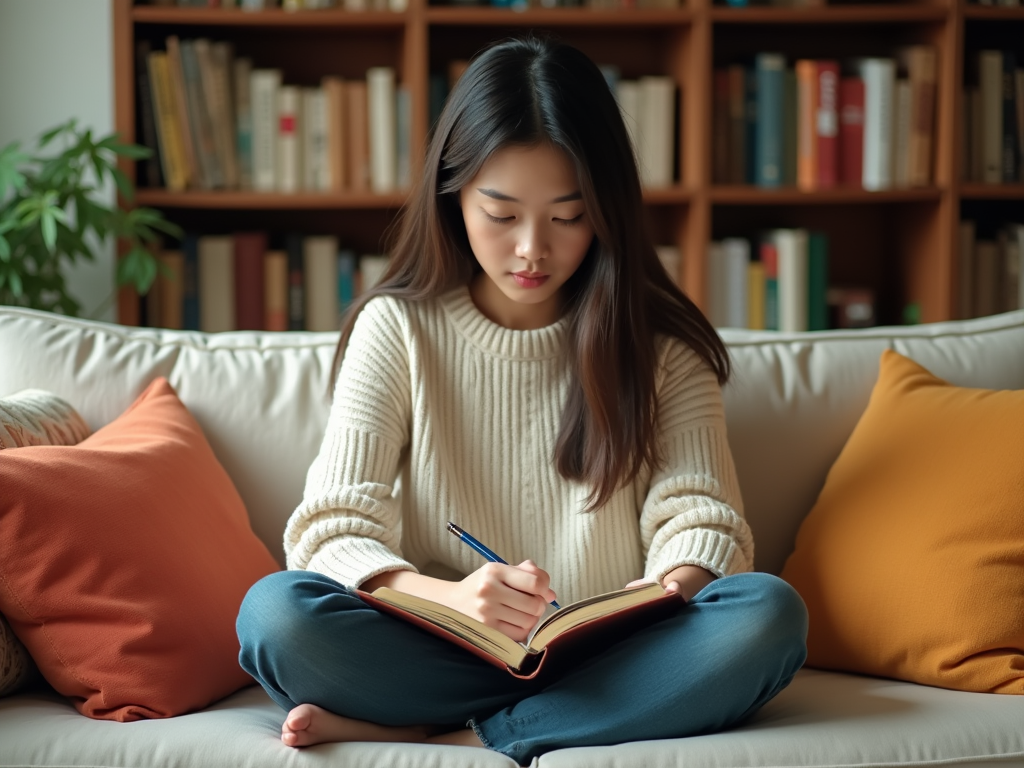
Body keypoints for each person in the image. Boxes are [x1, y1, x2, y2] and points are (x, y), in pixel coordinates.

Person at [235, 35, 808, 765]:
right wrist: (453, 598)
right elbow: (328, 528)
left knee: (767, 616)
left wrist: (656, 594)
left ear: (606, 210)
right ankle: (553, 720)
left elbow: (705, 520)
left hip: (614, 656)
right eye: (501, 214)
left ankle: (459, 734)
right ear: (454, 195)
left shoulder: (662, 344)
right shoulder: (400, 327)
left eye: (568, 217)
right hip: (439, 644)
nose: (533, 249)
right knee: (275, 614)